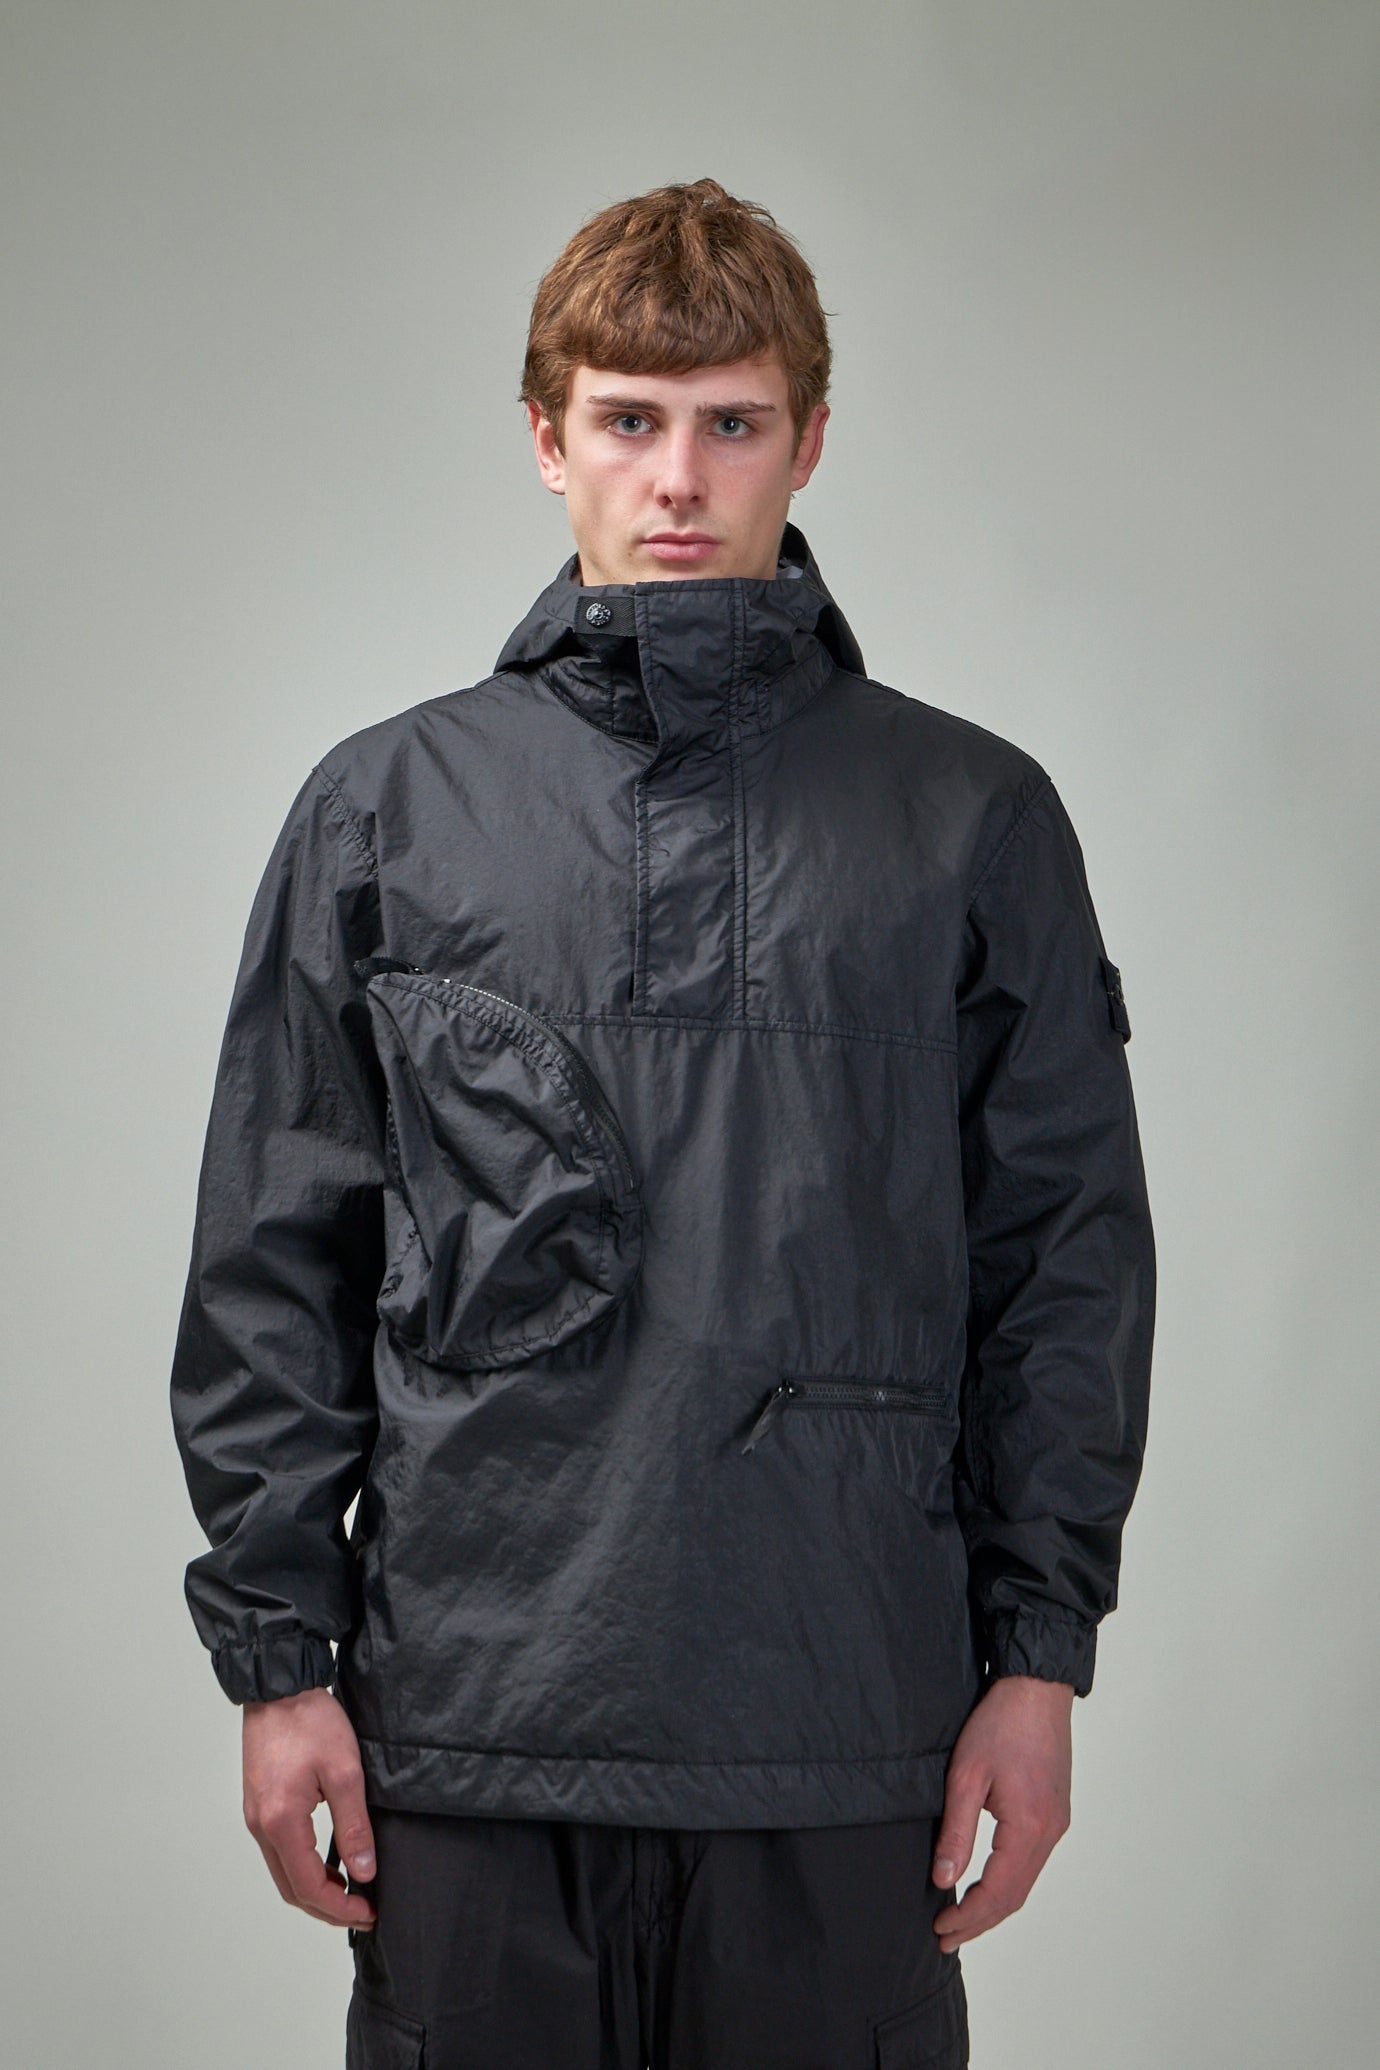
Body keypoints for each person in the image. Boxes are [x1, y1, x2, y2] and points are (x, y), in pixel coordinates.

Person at [170, 176, 1155, 2069]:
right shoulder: (386, 810)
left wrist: (1040, 1661)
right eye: (629, 419)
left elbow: (1065, 1263)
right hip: (473, 1719)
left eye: (733, 422)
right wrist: (279, 1666)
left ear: (811, 440)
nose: (680, 478)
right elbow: (276, 1260)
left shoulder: (974, 818)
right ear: (547, 437)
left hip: (843, 1717)